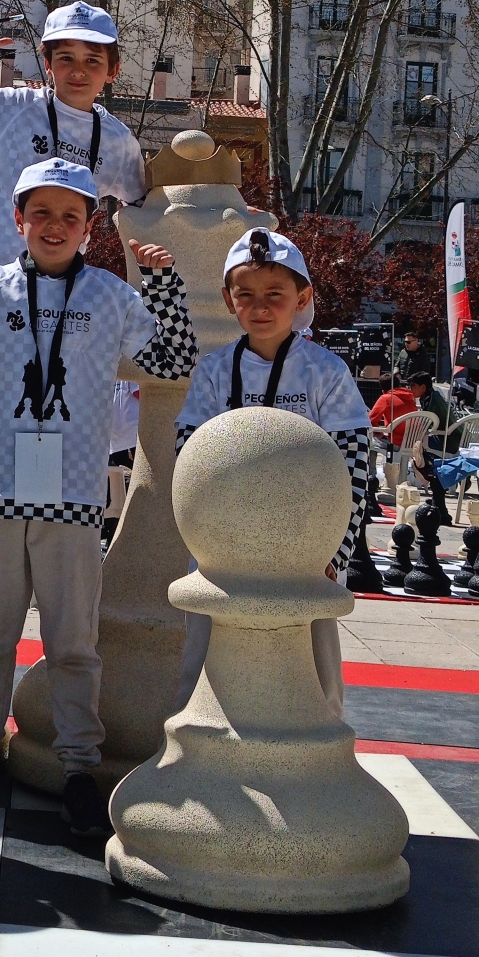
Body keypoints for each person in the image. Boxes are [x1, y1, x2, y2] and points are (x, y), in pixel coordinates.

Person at [0, 159, 197, 834]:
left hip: (72, 497)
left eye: (70, 216)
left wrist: (168, 283)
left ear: (89, 228)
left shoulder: (112, 297)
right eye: (42, 214)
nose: (54, 227)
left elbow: (175, 361)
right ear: (18, 220)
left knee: (73, 646)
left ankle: (77, 769)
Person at [174, 228, 371, 716]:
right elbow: (189, 458)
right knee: (201, 654)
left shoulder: (326, 372)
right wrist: (201, 540)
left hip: (307, 545)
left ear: (302, 298)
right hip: (224, 542)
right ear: (228, 300)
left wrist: (336, 549)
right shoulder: (215, 371)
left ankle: (322, 737)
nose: (260, 307)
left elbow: (353, 464)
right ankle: (194, 737)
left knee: (315, 656)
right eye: (246, 295)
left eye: (275, 295)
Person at [0, 4, 147, 271]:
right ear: (48, 64)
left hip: (62, 299)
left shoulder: (118, 142)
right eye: (66, 58)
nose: (78, 70)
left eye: (92, 60)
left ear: (112, 71)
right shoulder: (12, 107)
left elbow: (146, 213)